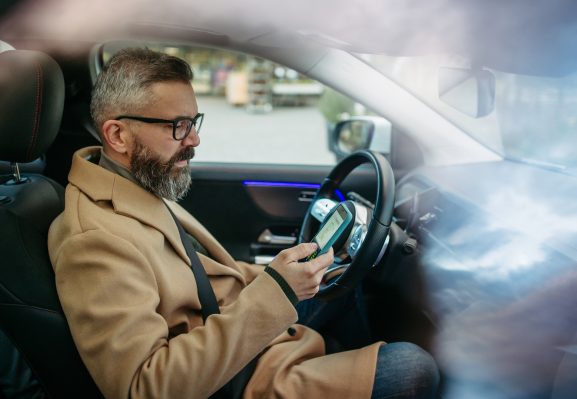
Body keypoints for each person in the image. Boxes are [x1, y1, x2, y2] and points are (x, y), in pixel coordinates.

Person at [48, 47, 439, 399]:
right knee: (414, 367)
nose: (195, 139)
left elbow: (199, 275)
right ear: (117, 135)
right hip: (232, 379)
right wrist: (277, 291)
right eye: (178, 126)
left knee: (338, 274)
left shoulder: (130, 182)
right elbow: (146, 389)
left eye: (194, 120)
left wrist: (278, 275)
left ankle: (352, 370)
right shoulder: (92, 240)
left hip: (229, 328)